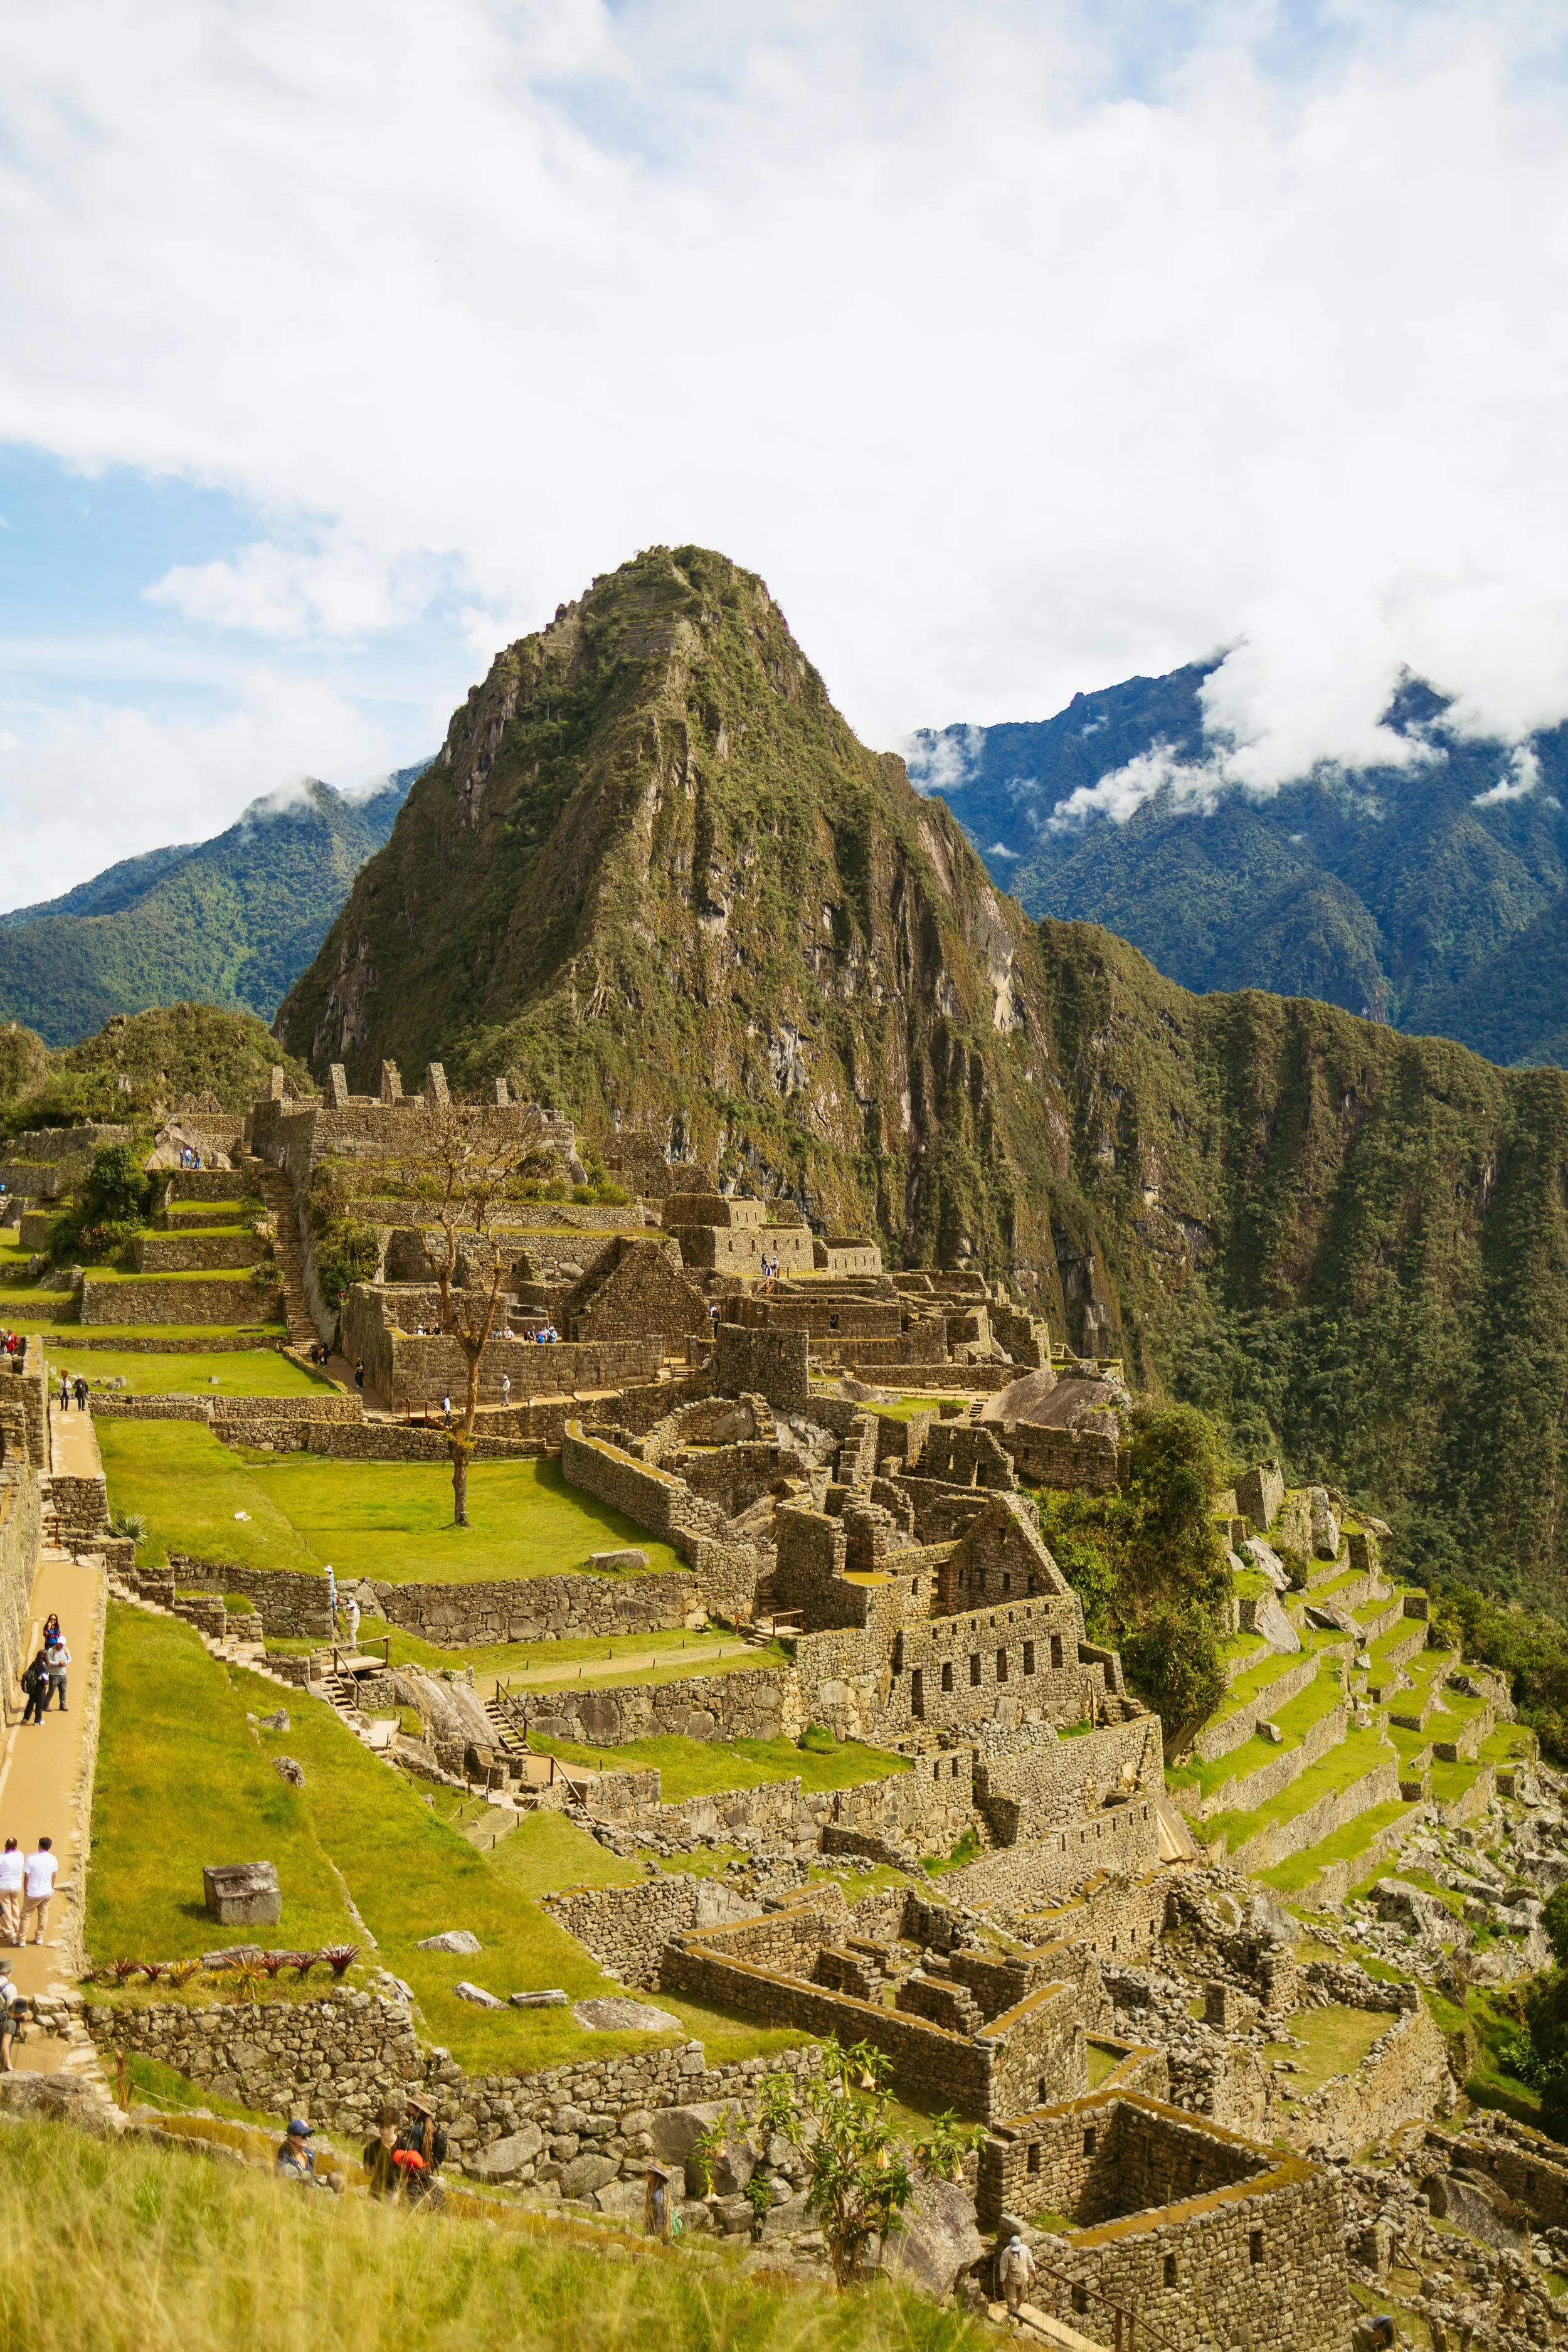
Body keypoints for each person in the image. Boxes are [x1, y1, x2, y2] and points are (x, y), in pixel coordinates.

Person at [391, 2095, 447, 2206]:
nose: (407, 2107)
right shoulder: (432, 2125)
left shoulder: (415, 2130)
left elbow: (412, 2156)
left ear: (416, 2108)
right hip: (428, 2171)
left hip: (416, 2175)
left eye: (410, 2105)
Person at [363, 2104, 403, 2201]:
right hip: (376, 2194)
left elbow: (413, 2173)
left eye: (389, 2127)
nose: (385, 2131)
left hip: (401, 2195)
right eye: (381, 2127)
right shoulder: (370, 2148)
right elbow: (367, 2171)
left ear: (396, 2126)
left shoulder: (405, 2146)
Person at [21, 1838, 57, 1945]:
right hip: (47, 1892)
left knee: (26, 1916)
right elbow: (54, 1875)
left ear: (39, 1846)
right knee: (44, 1915)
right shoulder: (53, 1859)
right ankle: (39, 1938)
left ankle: (21, 1940)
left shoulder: (32, 1859)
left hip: (33, 1893)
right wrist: (52, 1887)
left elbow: (27, 1876)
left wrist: (25, 1889)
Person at [999, 2233, 1037, 2314]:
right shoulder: (1006, 2254)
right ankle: (1012, 2317)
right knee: (1011, 2300)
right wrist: (1003, 2283)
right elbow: (1003, 2269)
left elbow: (1030, 2262)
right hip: (1011, 2281)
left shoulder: (1025, 2249)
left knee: (1023, 2297)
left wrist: (1035, 2276)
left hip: (1023, 2279)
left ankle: (1016, 2309)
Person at [0, 1961, 24, 2072]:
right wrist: (22, 2016)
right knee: (6, 2045)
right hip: (4, 2021)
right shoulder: (10, 1988)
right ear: (8, 1971)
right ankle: (6, 2067)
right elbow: (12, 2010)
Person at [20, 1650, 50, 1728]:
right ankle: (38, 1720)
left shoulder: (34, 1663)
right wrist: (45, 1684)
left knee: (31, 1702)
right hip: (40, 1687)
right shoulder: (44, 1665)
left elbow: (28, 1672)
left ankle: (26, 1718)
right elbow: (44, 1677)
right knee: (39, 1705)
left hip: (33, 1686)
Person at [0, 1840, 21, 1944]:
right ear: (16, 1846)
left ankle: (9, 1932)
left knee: (5, 1908)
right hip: (17, 1886)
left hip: (4, 1886)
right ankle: (16, 1926)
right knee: (14, 1904)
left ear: (6, 1846)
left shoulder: (2, 1857)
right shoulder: (20, 1855)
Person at [45, 1628, 70, 1713]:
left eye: (62, 1645)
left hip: (63, 1674)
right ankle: (46, 1705)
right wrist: (57, 1663)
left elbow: (70, 1659)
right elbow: (48, 1661)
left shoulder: (66, 1650)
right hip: (54, 1675)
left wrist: (66, 1663)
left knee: (63, 1690)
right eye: (59, 1644)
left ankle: (63, 1705)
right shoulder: (51, 1651)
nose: (60, 1646)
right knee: (52, 1691)